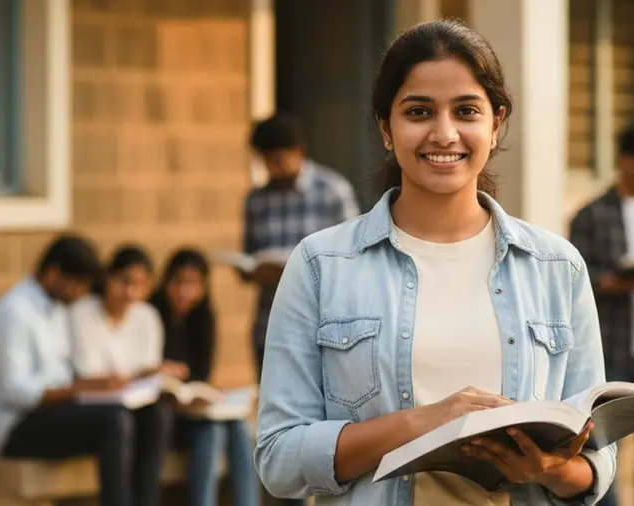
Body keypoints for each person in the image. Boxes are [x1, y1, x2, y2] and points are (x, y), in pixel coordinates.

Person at [254, 19, 614, 506]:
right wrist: (419, 423)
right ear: (386, 128)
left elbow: (597, 462)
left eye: (466, 110)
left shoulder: (557, 266)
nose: (444, 134)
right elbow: (278, 459)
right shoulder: (321, 265)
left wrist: (550, 469)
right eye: (419, 111)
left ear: (496, 122)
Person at [0, 234, 149, 506]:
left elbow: (63, 376)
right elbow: (18, 392)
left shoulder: (56, 309)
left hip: (53, 414)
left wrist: (98, 384)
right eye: (77, 284)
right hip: (16, 427)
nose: (81, 292)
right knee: (113, 422)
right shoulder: (15, 311)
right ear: (53, 273)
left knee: (146, 417)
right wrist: (80, 389)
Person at [568, 124, 634, 506]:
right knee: (606, 446)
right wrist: (623, 283)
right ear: (626, 161)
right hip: (612, 347)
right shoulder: (591, 215)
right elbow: (577, 281)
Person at [242, 112, 361, 382]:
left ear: (299, 151)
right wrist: (253, 271)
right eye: (265, 161)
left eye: (278, 159)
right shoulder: (256, 200)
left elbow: (356, 257)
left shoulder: (332, 191)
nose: (272, 168)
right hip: (271, 324)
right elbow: (249, 257)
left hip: (324, 325)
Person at [148, 248, 260, 506]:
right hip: (162, 416)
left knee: (237, 427)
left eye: (192, 284)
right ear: (165, 281)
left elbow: (201, 374)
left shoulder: (203, 317)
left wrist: (203, 395)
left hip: (192, 410)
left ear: (203, 287)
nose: (183, 292)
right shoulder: (152, 314)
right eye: (177, 282)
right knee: (212, 434)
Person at [68, 244, 174, 506]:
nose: (130, 293)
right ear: (107, 278)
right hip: (94, 406)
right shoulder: (81, 313)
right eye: (123, 282)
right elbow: (89, 373)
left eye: (139, 284)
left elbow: (144, 376)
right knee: (119, 422)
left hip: (134, 404)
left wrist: (152, 374)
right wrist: (140, 373)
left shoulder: (147, 316)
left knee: (159, 417)